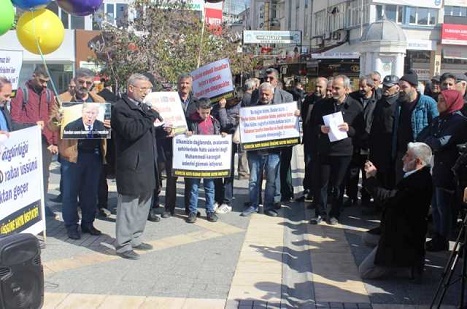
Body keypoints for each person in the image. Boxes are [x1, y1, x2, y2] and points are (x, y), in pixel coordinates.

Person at [359, 142, 433, 280]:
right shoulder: (415, 174)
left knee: (366, 271)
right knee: (368, 238)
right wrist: (375, 176)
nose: (403, 158)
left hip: (404, 234)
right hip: (396, 227)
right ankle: (396, 260)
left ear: (417, 161)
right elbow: (392, 194)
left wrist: (371, 179)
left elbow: (389, 199)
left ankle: (408, 270)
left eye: (407, 156)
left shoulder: (418, 181)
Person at [49, 68, 109, 240]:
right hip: (72, 155)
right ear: (74, 81)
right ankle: (71, 225)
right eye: (81, 82)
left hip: (94, 154)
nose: (84, 86)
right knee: (70, 193)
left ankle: (88, 223)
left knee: (90, 192)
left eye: (88, 83)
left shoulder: (99, 100)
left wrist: (107, 124)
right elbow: (52, 126)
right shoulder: (61, 100)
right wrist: (57, 119)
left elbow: (105, 128)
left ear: (92, 84)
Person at [111, 73, 160, 260]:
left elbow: (146, 130)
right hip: (131, 165)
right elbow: (132, 131)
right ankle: (123, 244)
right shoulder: (120, 108)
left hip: (147, 163)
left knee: (144, 202)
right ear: (131, 88)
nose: (146, 92)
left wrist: (163, 130)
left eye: (148, 88)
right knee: (129, 205)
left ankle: (136, 238)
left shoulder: (142, 107)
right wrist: (151, 116)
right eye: (142, 88)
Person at [309, 75, 364, 225]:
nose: (332, 90)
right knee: (322, 183)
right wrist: (320, 128)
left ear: (346, 89)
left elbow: (361, 131)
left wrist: (350, 129)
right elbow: (311, 125)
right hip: (325, 150)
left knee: (338, 185)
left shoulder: (355, 106)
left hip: (344, 152)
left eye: (337, 88)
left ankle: (335, 213)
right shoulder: (322, 105)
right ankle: (320, 213)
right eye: (332, 87)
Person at [420, 89, 467, 252]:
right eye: (438, 99)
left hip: (449, 170)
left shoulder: (458, 121)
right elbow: (426, 138)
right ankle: (438, 236)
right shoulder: (440, 119)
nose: (438, 104)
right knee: (436, 205)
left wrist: (432, 141)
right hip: (437, 167)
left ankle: (442, 238)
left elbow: (440, 142)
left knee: (443, 206)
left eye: (442, 100)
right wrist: (431, 141)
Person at [9, 65, 58, 218]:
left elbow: (53, 121)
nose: (44, 84)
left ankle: (42, 205)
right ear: (34, 75)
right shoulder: (21, 93)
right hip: (26, 142)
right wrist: (32, 125)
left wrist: (54, 142)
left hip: (45, 142)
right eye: (42, 81)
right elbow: (14, 120)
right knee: (26, 176)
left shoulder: (49, 95)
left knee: (44, 175)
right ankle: (26, 207)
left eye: (46, 82)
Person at [241, 82, 283, 217]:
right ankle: (253, 205)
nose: (264, 96)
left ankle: (269, 206)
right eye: (262, 94)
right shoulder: (251, 110)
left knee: (271, 181)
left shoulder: (280, 111)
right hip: (255, 152)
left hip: (273, 152)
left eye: (267, 94)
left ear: (272, 95)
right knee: (253, 180)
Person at [186, 98, 226, 223]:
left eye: (207, 112)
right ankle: (192, 212)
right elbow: (183, 133)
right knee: (194, 187)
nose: (205, 115)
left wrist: (222, 136)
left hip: (209, 161)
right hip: (195, 161)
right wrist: (187, 133)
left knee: (210, 187)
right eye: (203, 112)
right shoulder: (191, 120)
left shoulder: (214, 122)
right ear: (198, 110)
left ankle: (210, 211)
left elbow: (217, 135)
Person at [393, 71, 438, 182]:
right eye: (399, 87)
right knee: (401, 182)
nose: (401, 90)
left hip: (419, 152)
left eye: (404, 87)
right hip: (402, 151)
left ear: (414, 87)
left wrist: (428, 142)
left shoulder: (428, 103)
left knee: (419, 184)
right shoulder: (398, 103)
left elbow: (436, 125)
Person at [346, 75, 379, 207]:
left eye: (364, 86)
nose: (361, 88)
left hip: (369, 142)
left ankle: (366, 197)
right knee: (352, 171)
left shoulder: (378, 99)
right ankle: (351, 196)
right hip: (354, 140)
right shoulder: (353, 97)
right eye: (360, 85)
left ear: (371, 87)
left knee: (367, 172)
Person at [263, 68, 295, 203]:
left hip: (283, 139)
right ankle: (266, 197)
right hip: (264, 140)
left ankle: (284, 193)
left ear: (277, 80)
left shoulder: (286, 96)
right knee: (267, 169)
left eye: (271, 79)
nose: (268, 81)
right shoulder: (258, 94)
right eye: (266, 79)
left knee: (283, 167)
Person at [297, 77, 328, 203]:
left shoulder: (329, 101)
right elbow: (304, 117)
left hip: (324, 140)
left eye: (320, 87)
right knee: (309, 165)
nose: (318, 89)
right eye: (316, 86)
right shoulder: (308, 100)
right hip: (310, 138)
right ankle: (308, 190)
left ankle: (319, 194)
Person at [213, 96, 240, 214]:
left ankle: (227, 201)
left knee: (228, 173)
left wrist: (222, 108)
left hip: (228, 142)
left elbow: (226, 124)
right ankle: (217, 199)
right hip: (216, 141)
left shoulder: (236, 106)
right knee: (216, 172)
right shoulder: (215, 105)